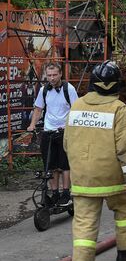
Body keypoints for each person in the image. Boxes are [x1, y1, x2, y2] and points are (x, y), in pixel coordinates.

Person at [63, 60, 126, 261]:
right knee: (125, 210)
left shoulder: (76, 106)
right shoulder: (118, 109)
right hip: (112, 177)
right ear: (116, 85)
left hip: (83, 179)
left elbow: (67, 143)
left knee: (84, 227)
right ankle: (123, 254)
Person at [27, 62, 78, 207]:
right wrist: (32, 125)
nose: (52, 78)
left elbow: (76, 109)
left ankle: (66, 193)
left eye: (55, 75)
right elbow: (38, 109)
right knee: (50, 165)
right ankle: (55, 193)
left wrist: (71, 127)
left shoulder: (69, 89)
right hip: (49, 131)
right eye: (49, 75)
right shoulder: (44, 90)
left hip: (64, 131)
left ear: (60, 74)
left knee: (64, 164)